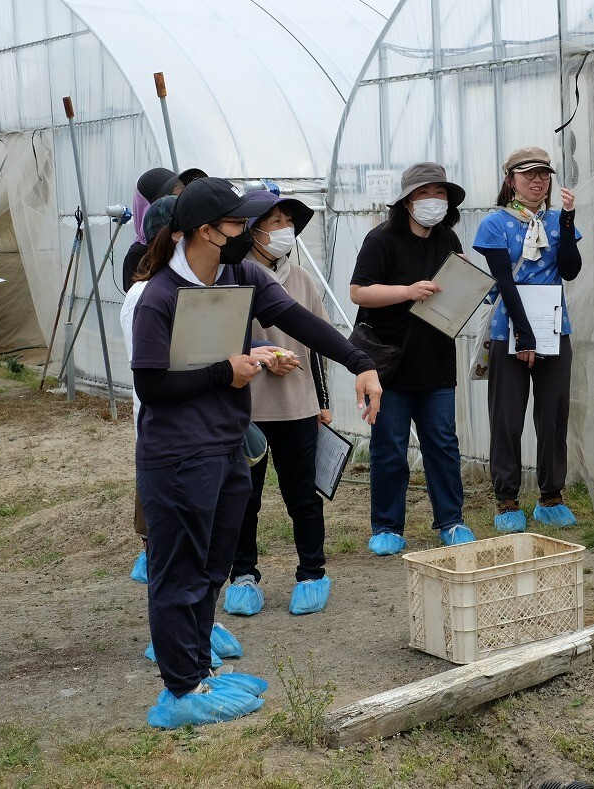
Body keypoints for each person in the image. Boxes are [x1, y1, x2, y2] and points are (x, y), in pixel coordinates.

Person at [130, 177, 381, 727]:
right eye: (238, 224)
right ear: (205, 232)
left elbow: (298, 320)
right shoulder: (159, 297)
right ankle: (179, 690)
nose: (249, 233)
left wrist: (359, 361)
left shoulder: (238, 274)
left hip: (225, 447)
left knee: (213, 567)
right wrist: (228, 370)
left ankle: (200, 672)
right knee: (180, 573)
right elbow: (152, 388)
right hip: (176, 457)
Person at [349, 162, 475, 556]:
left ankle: (451, 521)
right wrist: (407, 292)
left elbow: (454, 290)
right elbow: (358, 292)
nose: (432, 201)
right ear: (406, 201)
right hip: (388, 363)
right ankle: (387, 526)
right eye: (424, 193)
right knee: (390, 445)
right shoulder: (381, 240)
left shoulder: (448, 241)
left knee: (442, 442)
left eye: (439, 194)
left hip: (436, 360)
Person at [224, 192, 336, 614]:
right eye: (275, 220)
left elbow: (319, 344)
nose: (284, 229)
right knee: (242, 498)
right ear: (252, 229)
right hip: (245, 408)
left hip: (297, 406)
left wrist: (323, 403)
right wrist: (262, 354)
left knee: (303, 495)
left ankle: (312, 572)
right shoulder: (231, 277)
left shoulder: (303, 279)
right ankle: (243, 575)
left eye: (289, 220)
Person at [472, 147, 581, 533]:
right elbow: (503, 278)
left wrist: (567, 222)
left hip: (553, 327)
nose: (538, 181)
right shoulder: (494, 224)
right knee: (507, 415)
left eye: (544, 174)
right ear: (510, 180)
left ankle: (552, 495)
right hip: (510, 327)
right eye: (528, 174)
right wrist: (524, 332)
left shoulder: (555, 219)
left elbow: (570, 269)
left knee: (553, 413)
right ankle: (506, 498)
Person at [120, 195, 180, 584]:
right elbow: (161, 373)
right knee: (166, 538)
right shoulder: (147, 296)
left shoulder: (162, 288)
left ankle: (193, 627)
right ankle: (172, 637)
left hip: (186, 432)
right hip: (164, 430)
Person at [121, 167, 207, 292]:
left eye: (182, 196)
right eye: (172, 196)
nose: (179, 203)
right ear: (149, 206)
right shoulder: (138, 253)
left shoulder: (196, 241)